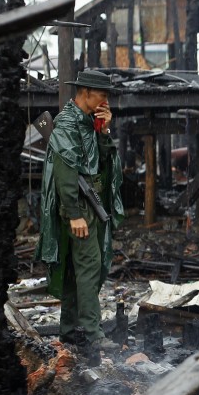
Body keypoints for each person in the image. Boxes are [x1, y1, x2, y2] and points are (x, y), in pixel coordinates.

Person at [35, 70, 124, 351]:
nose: (106, 100)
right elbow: (64, 172)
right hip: (78, 207)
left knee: (77, 270)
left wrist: (104, 129)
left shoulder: (88, 122)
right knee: (90, 267)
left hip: (91, 202)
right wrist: (74, 213)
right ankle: (93, 334)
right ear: (85, 92)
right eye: (102, 94)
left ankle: (70, 330)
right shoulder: (67, 124)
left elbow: (104, 159)